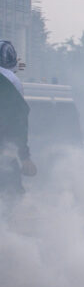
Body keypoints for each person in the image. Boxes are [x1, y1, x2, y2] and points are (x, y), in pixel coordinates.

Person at [0, 40, 35, 209]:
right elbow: (19, 120)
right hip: (4, 148)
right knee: (11, 190)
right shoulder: (11, 80)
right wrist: (25, 156)